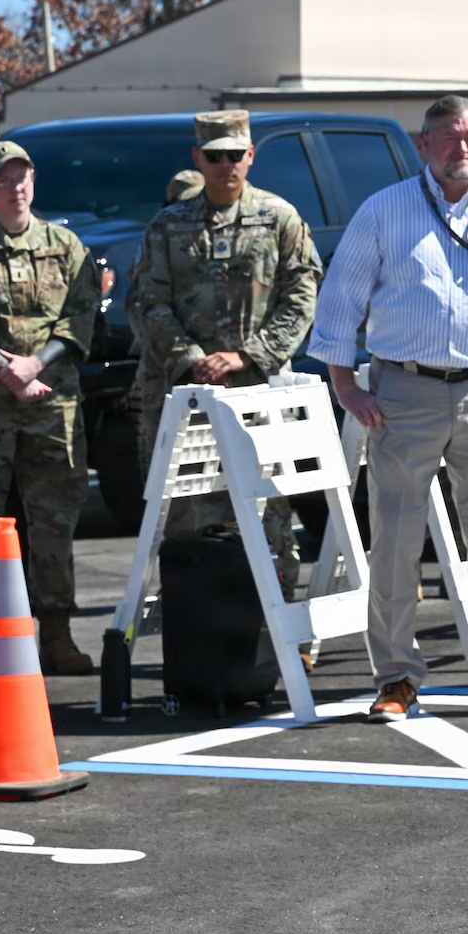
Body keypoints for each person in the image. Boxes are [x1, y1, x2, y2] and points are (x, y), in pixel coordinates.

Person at [307, 95, 468, 724]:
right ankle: (396, 677)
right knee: (395, 539)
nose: (462, 149)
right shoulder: (384, 211)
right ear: (424, 146)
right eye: (449, 138)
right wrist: (346, 387)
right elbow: (340, 301)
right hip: (403, 391)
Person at [127, 111, 323, 600]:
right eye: (215, 156)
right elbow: (148, 302)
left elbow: (302, 297)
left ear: (251, 156)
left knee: (269, 506)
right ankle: (200, 625)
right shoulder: (168, 226)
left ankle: (274, 619)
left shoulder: (279, 218)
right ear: (198, 158)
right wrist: (192, 358)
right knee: (191, 513)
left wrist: (248, 356)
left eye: (235, 155)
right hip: (190, 395)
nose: (225, 165)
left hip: (259, 392)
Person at [0, 141, 99, 674]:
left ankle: (56, 636)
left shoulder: (65, 246)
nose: (15, 188)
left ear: (34, 180)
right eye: (3, 179)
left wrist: (34, 365)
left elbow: (80, 317)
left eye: (22, 177)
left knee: (53, 520)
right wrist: (4, 367)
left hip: (50, 405)